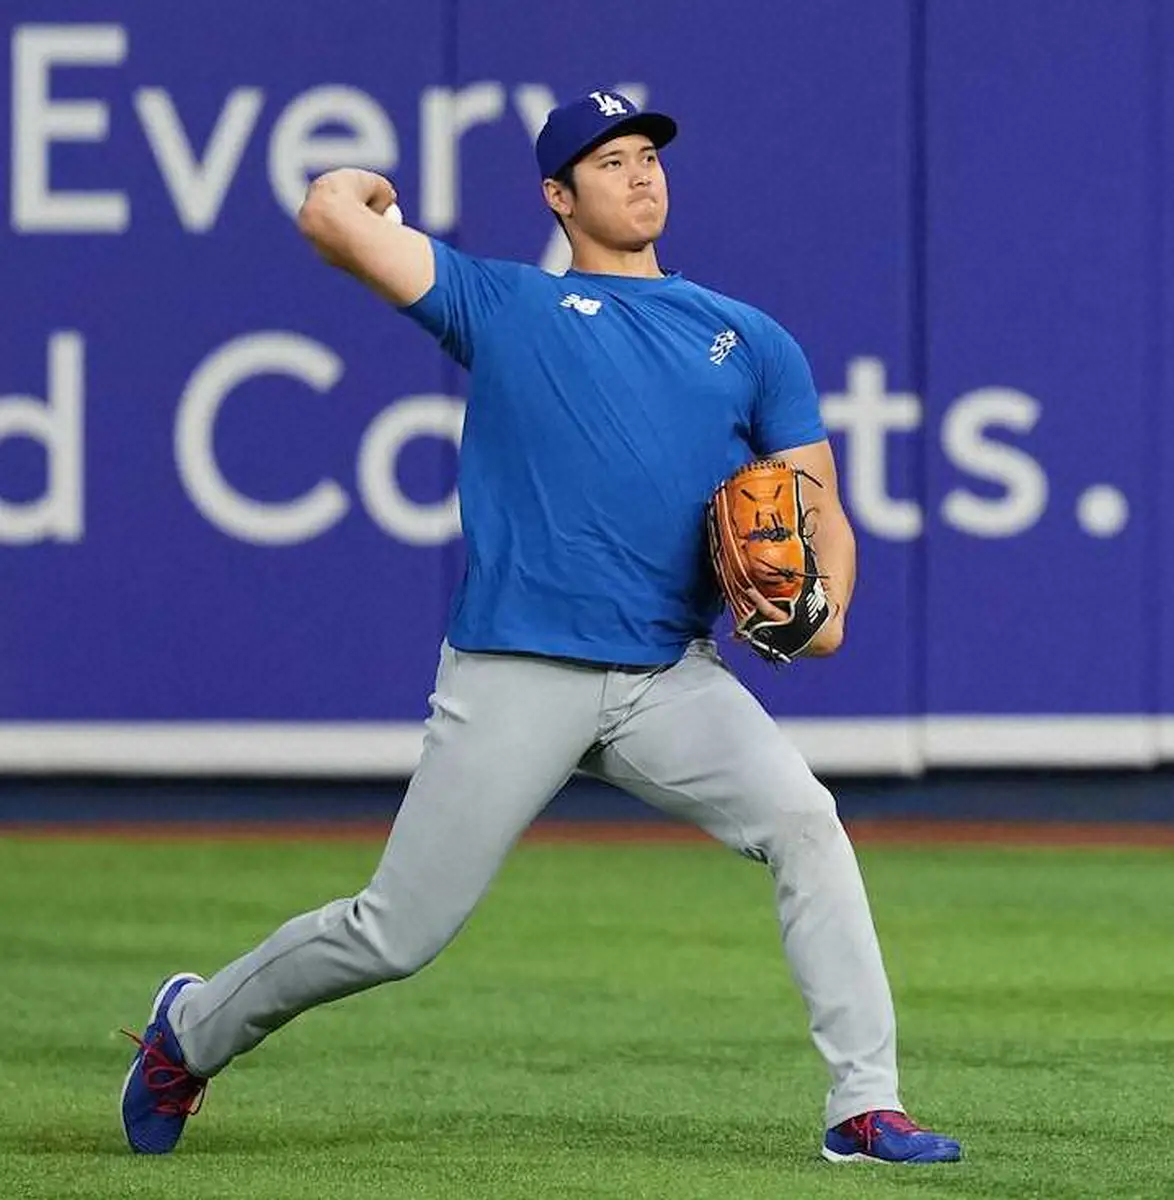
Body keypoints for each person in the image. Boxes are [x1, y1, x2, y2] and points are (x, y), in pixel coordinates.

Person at [119, 89, 962, 1166]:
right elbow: (330, 216)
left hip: (667, 677)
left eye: (647, 154)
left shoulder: (747, 338)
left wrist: (826, 610)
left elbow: (818, 505)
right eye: (609, 162)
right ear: (558, 197)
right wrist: (368, 189)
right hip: (517, 671)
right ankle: (188, 1033)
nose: (640, 173)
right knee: (396, 932)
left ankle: (865, 1106)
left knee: (806, 823)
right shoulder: (504, 303)